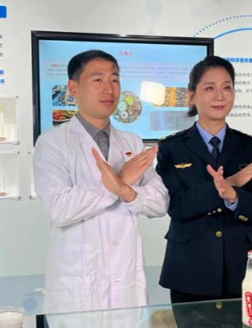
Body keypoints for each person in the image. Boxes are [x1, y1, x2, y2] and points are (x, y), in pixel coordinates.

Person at [156, 55, 252, 328]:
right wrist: (226, 185)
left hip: (242, 271)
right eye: (209, 88)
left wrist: (234, 196)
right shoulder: (172, 149)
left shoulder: (251, 148)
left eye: (227, 87)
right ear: (191, 95)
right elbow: (177, 206)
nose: (219, 96)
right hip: (190, 271)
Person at [34, 49, 169, 314]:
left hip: (126, 286)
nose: (109, 89)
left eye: (115, 79)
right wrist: (117, 185)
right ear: (73, 88)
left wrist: (124, 190)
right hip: (78, 288)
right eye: (98, 80)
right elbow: (59, 209)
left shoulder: (131, 142)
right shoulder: (52, 143)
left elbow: (160, 203)